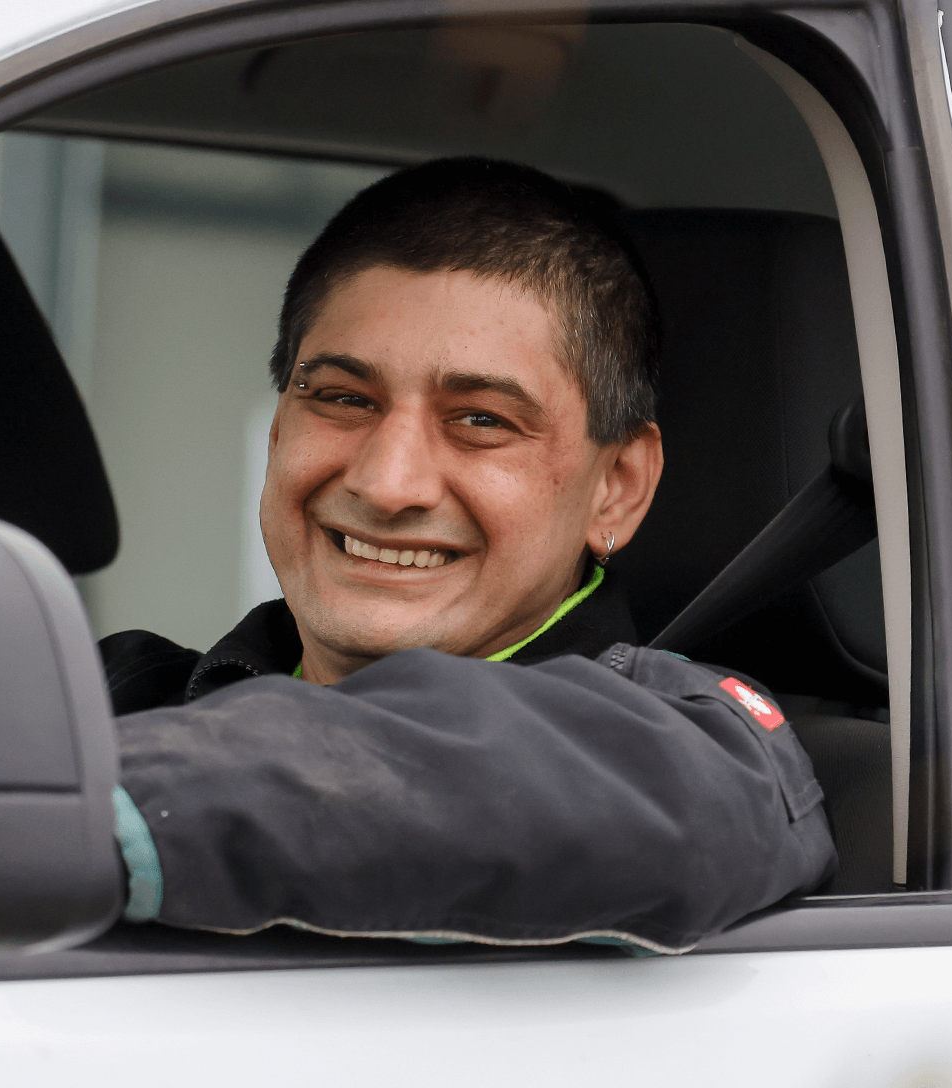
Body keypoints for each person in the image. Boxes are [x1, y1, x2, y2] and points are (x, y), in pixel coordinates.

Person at [103, 157, 836, 954]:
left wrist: (75, 810)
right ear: (279, 431)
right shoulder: (111, 697)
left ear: (616, 488)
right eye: (345, 399)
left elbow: (672, 812)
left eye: (481, 420)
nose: (388, 484)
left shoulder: (701, 748)